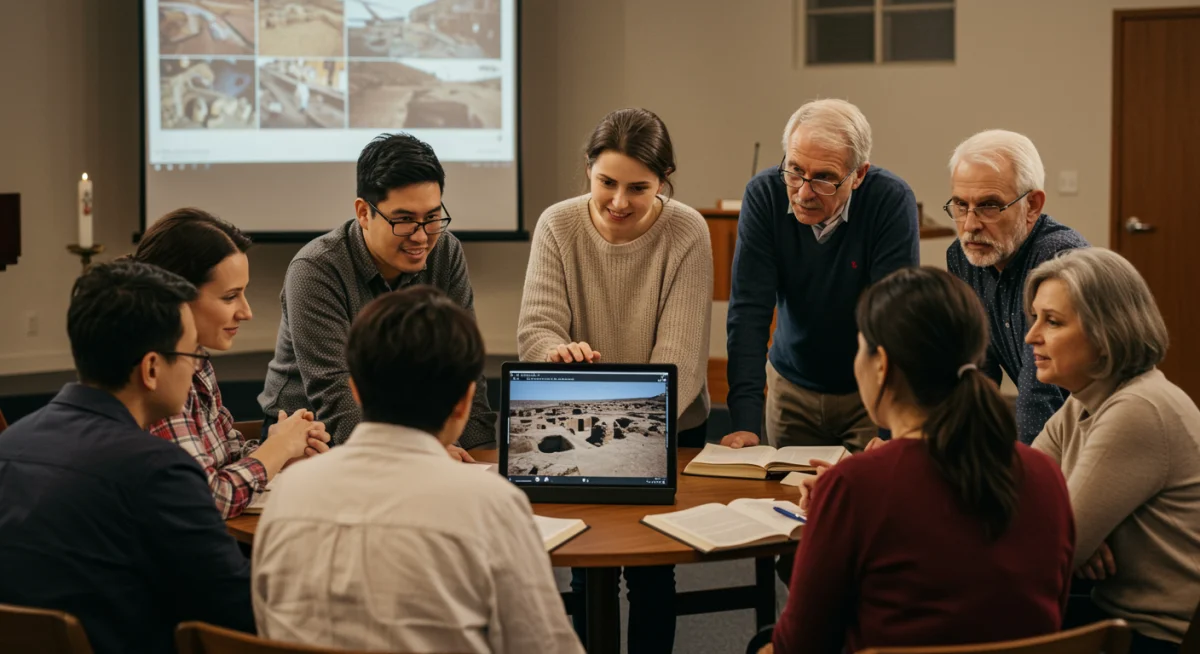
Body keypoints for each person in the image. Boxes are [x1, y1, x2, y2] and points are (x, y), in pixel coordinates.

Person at [253, 286, 583, 654]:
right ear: (464, 403)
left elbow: (266, 620)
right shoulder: (492, 503)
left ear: (356, 391)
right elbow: (542, 647)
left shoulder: (289, 490)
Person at [767, 267, 1074, 654]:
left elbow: (799, 646)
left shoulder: (854, 489)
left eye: (858, 346)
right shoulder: (1045, 474)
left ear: (881, 363)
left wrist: (834, 512)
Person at [518, 107, 713, 654]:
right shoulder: (558, 224)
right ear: (588, 170)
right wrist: (557, 355)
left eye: (639, 187)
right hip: (581, 425)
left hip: (668, 427)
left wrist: (595, 410)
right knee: (587, 568)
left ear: (663, 181)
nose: (620, 201)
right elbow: (537, 330)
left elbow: (678, 363)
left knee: (653, 572)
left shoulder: (686, 231)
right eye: (607, 182)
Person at [0, 261, 254, 654]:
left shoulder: (11, 444)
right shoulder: (157, 470)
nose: (195, 370)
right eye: (192, 356)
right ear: (152, 368)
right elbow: (239, 609)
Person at [259, 132, 496, 451]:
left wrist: (481, 458)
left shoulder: (445, 252)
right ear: (363, 213)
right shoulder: (315, 268)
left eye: (432, 218)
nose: (421, 237)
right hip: (310, 438)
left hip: (413, 434)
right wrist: (420, 457)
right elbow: (337, 398)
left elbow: (466, 371)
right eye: (404, 221)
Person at [1026, 248, 1200, 653]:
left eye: (1052, 322)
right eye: (1034, 318)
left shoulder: (1138, 408)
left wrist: (1071, 539)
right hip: (1112, 613)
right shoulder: (1083, 400)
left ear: (1107, 333)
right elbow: (1017, 493)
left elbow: (1050, 553)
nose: (1031, 335)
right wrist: (1075, 536)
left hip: (1156, 635)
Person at [722, 99, 919, 453]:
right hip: (791, 386)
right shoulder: (764, 194)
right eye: (794, 171)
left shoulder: (890, 199)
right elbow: (749, 311)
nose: (803, 192)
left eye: (824, 178)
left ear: (858, 175)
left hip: (868, 393)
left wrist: (890, 429)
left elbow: (895, 320)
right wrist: (745, 423)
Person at [134, 208, 330, 519]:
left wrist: (285, 450)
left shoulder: (197, 359)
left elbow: (224, 455)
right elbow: (208, 498)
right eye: (230, 297)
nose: (246, 312)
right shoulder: (160, 375)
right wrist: (275, 451)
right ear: (175, 297)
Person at [945, 129, 1088, 443]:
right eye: (960, 205)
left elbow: (1041, 393)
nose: (969, 225)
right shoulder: (962, 257)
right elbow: (976, 367)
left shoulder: (1058, 258)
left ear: (1033, 205)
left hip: (1094, 427)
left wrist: (1022, 481)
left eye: (989, 206)